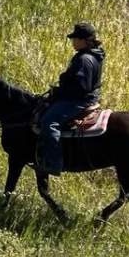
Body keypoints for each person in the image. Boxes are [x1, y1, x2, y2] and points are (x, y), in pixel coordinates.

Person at [37, 22, 106, 176]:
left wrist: (60, 92)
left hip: (79, 101)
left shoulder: (84, 59)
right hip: (85, 98)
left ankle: (54, 163)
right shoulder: (94, 54)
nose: (73, 42)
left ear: (84, 40)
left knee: (49, 122)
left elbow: (81, 88)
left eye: (75, 39)